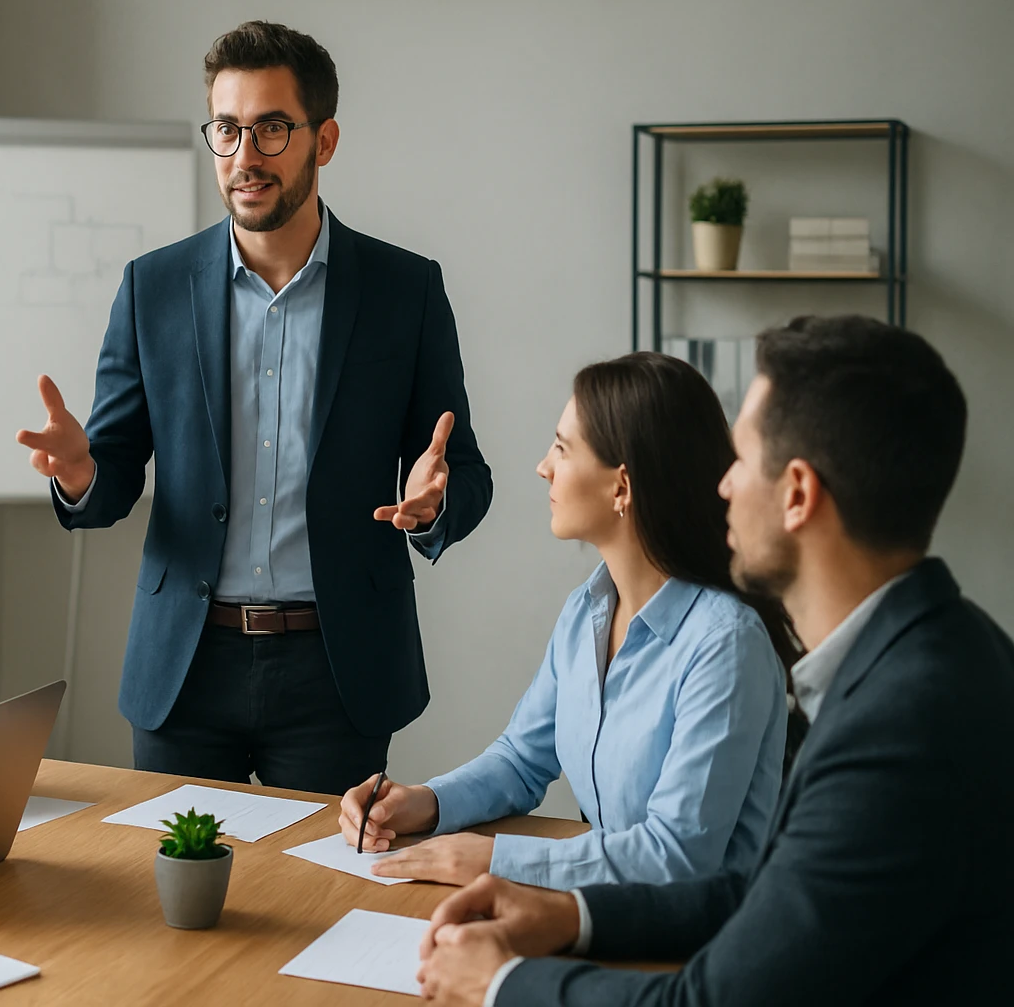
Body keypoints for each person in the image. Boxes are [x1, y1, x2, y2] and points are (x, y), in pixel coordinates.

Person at [416, 315, 1012, 1006]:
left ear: (796, 494)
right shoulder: (930, 656)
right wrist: (574, 917)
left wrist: (500, 982)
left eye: (741, 460)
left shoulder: (900, 729)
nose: (721, 485)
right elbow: (765, 895)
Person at [15, 20, 492, 795]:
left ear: (323, 140)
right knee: (174, 875)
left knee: (322, 874)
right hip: (186, 663)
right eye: (227, 129)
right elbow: (113, 478)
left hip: (337, 668)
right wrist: (79, 473)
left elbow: (462, 469)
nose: (245, 156)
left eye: (272, 129)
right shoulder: (153, 287)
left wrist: (434, 504)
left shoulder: (404, 291)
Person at [338, 352, 794, 890]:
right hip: (606, 913)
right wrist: (423, 802)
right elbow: (521, 760)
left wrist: (495, 859)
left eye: (561, 448)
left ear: (621, 486)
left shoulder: (725, 644)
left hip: (701, 932)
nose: (543, 467)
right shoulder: (588, 610)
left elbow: (675, 857)